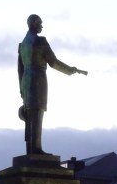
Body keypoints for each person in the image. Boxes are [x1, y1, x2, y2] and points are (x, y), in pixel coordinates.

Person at [18, 14, 87, 155]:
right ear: (33, 24)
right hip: (38, 78)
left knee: (30, 115)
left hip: (26, 80)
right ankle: (36, 149)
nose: (42, 26)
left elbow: (20, 69)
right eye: (40, 23)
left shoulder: (22, 45)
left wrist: (21, 89)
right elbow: (53, 63)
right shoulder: (40, 41)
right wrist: (71, 70)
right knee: (37, 112)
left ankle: (30, 150)